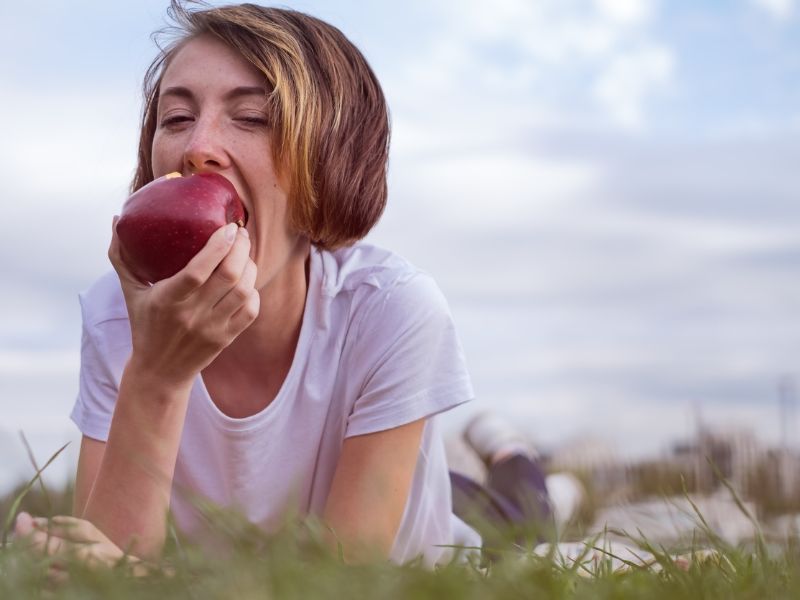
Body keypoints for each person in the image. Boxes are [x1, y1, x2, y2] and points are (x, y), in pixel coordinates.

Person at [14, 1, 554, 569]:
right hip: (305, 507)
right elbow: (104, 569)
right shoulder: (116, 314)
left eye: (251, 118)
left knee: (521, 516)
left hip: (457, 522)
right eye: (175, 119)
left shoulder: (392, 308)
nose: (198, 146)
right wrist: (155, 375)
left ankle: (510, 450)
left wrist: (151, 578)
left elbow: (338, 578)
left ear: (329, 162)